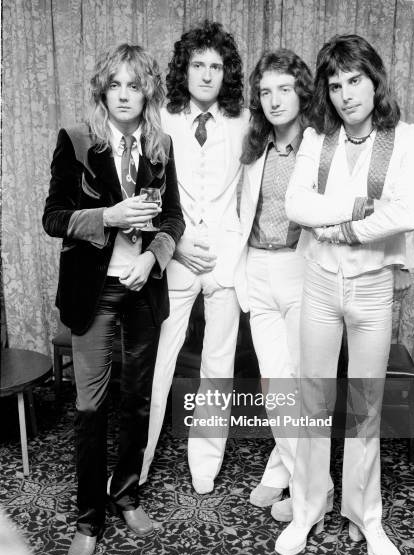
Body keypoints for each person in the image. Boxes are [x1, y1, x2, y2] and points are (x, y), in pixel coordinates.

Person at [275, 34, 414, 555]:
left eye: (354, 80)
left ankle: (367, 514)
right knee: (312, 401)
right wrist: (360, 206)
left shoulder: (406, 139)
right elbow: (295, 203)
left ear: (375, 80)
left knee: (365, 406)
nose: (344, 94)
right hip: (318, 284)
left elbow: (405, 213)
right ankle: (309, 507)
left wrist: (339, 225)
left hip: (372, 288)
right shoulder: (318, 139)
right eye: (334, 84)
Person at [43, 43, 185, 555]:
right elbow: (54, 217)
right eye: (116, 85)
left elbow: (174, 220)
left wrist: (153, 260)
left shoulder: (160, 144)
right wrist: (110, 214)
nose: (125, 94)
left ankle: (125, 495)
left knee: (138, 400)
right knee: (89, 407)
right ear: (103, 90)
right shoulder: (77, 141)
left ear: (147, 91)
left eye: (135, 85)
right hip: (93, 292)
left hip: (143, 287)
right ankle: (89, 518)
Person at [139, 20, 249, 494]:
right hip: (177, 253)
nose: (207, 75)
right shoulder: (161, 118)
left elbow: (255, 192)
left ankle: (204, 465)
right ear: (184, 69)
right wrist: (175, 242)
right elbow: (145, 190)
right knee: (158, 360)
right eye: (198, 65)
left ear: (227, 74)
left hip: (225, 258)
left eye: (217, 66)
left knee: (217, 365)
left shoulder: (245, 119)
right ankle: (135, 465)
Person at [236, 49, 319, 516]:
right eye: (265, 92)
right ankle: (291, 473)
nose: (273, 100)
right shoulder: (255, 149)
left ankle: (307, 491)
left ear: (302, 92)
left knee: (298, 385)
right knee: (275, 385)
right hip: (258, 268)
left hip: (301, 269)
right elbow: (240, 212)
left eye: (284, 89)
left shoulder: (320, 145)